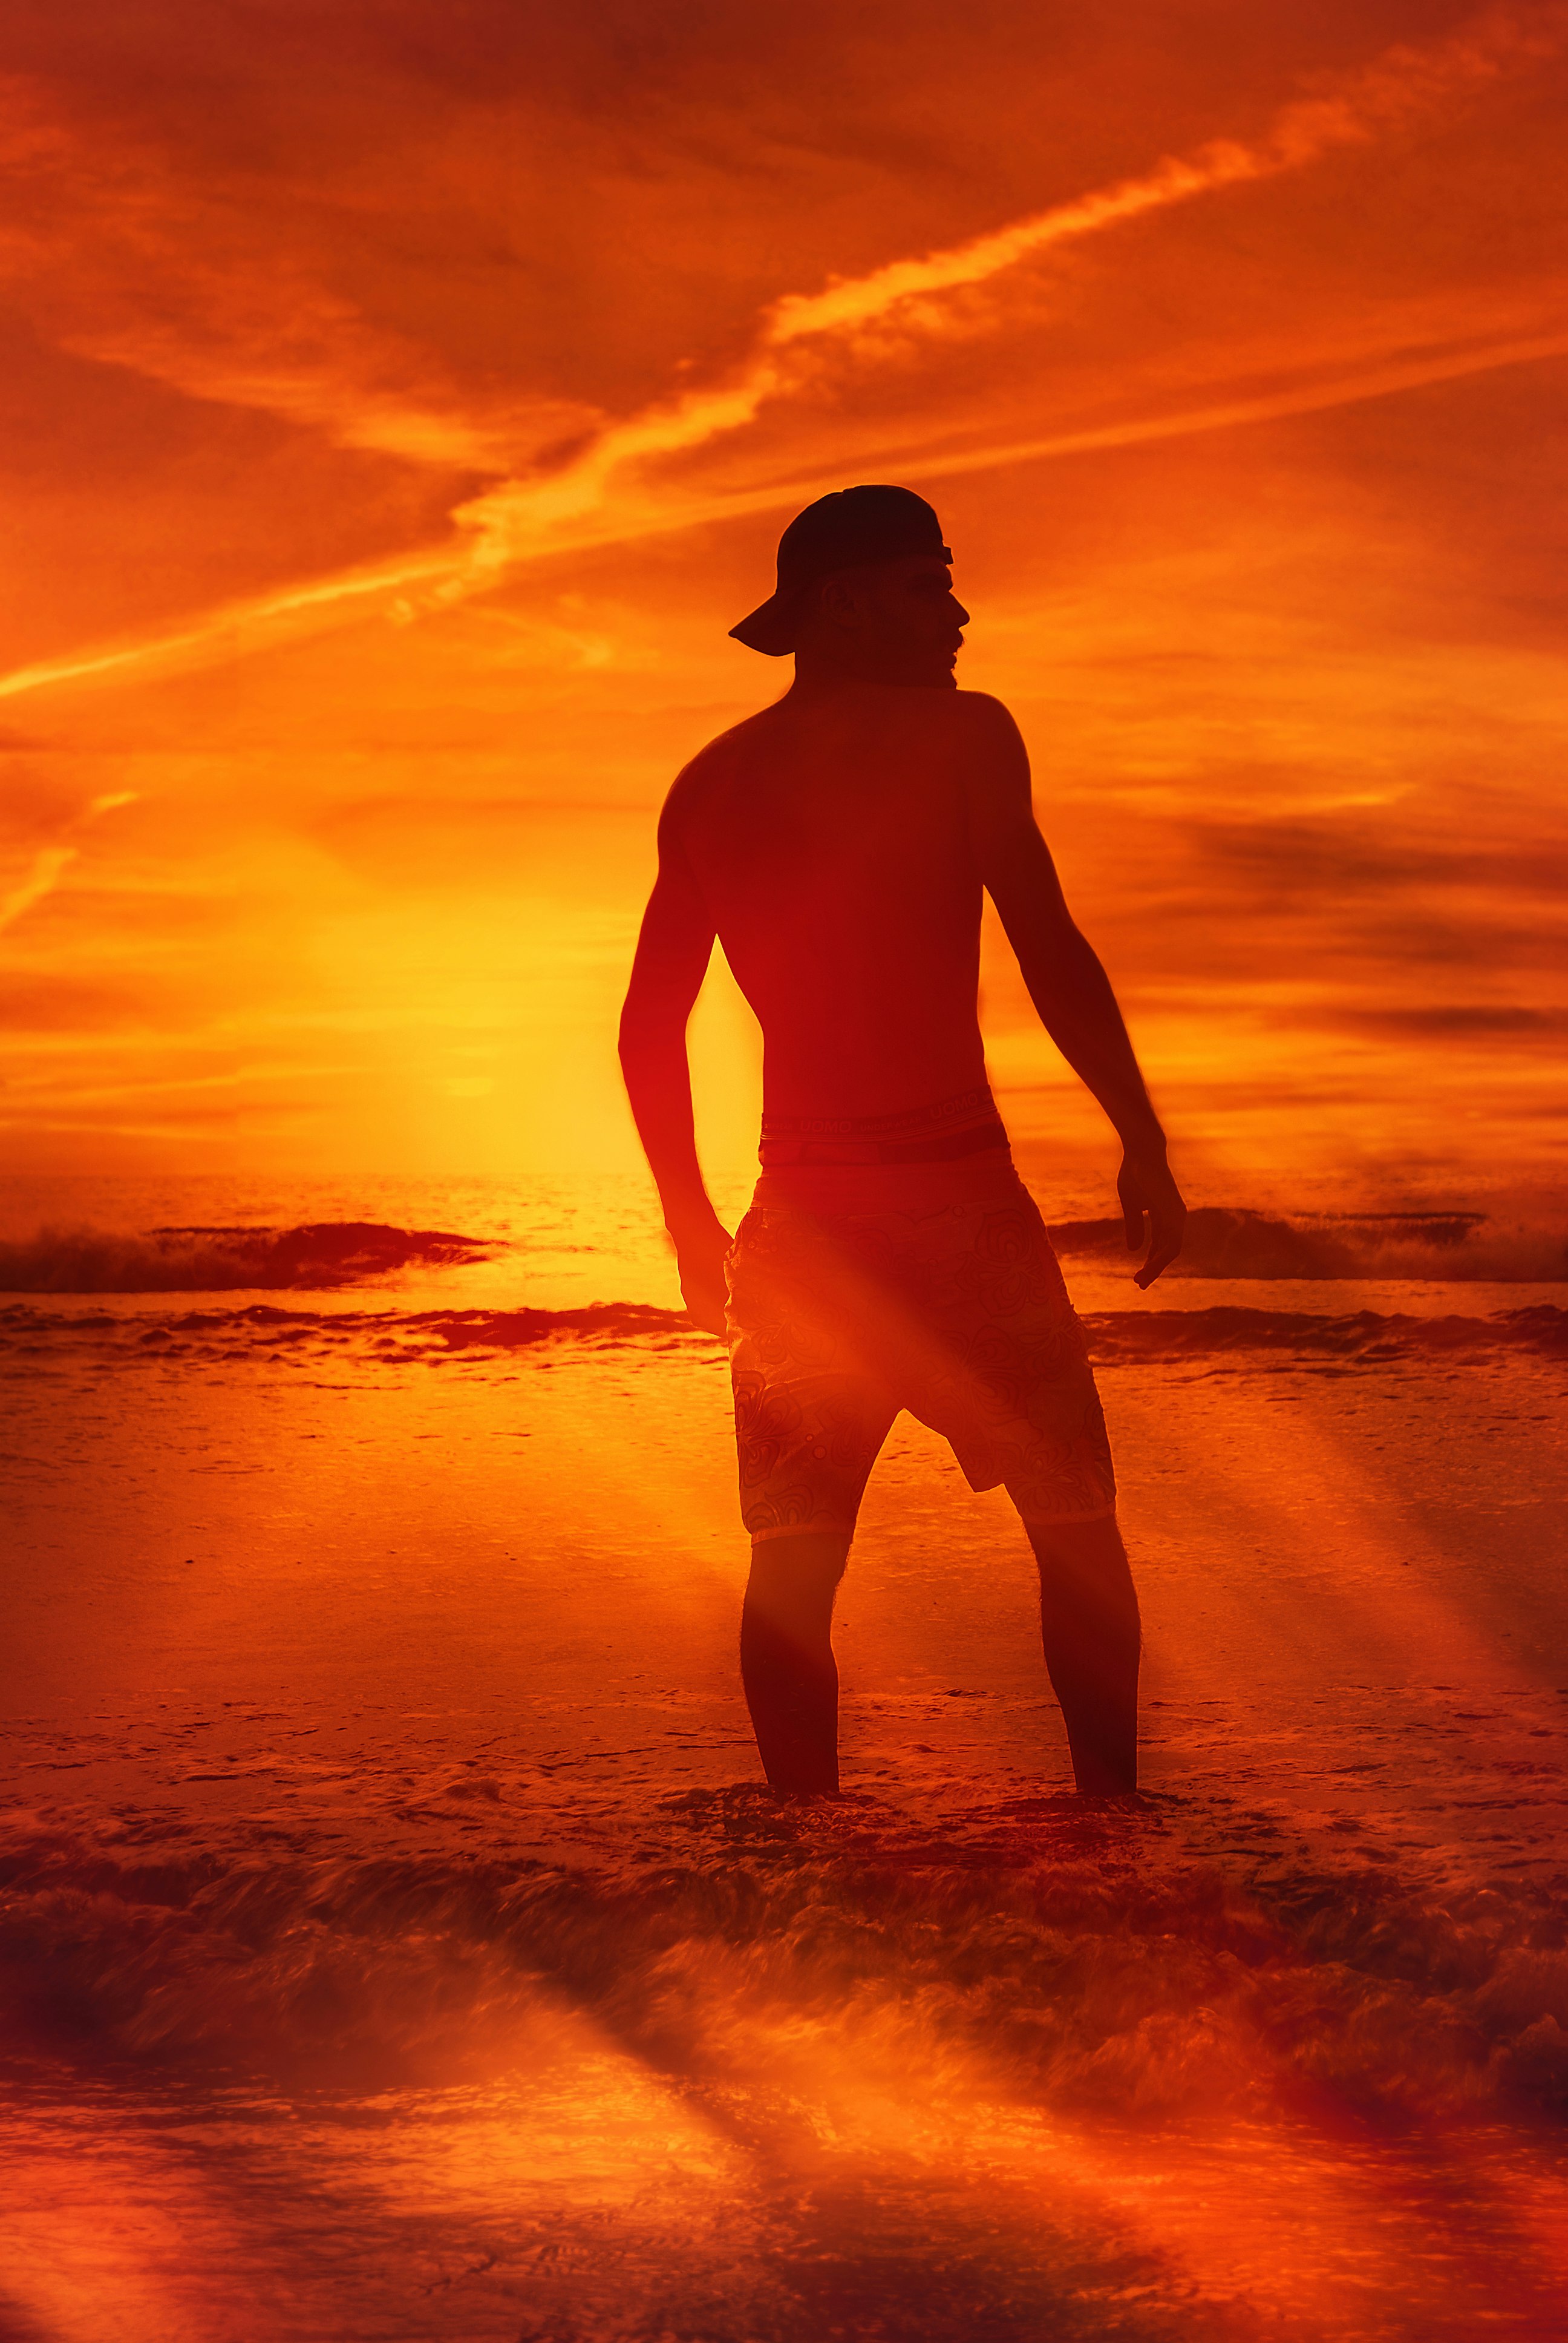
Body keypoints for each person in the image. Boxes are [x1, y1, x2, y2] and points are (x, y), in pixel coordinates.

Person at [619, 485, 1185, 1800]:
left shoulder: (711, 783)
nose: (961, 611)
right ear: (848, 600)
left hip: (797, 1230)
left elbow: (650, 1028)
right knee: (1077, 1530)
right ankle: (1112, 1829)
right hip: (959, 1208)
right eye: (934, 581)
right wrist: (1140, 1138)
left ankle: (803, 1849)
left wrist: (692, 1222)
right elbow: (1048, 944)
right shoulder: (963, 738)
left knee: (796, 1554)